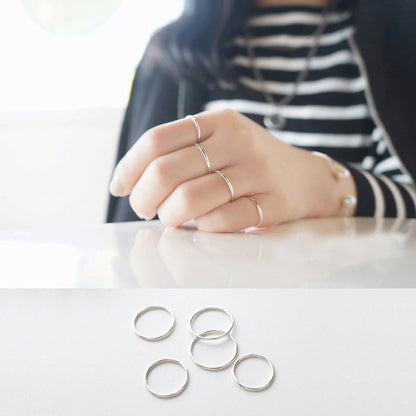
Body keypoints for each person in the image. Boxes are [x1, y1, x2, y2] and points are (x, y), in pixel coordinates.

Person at [107, 0, 416, 233]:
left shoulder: (402, 37)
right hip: (210, 307)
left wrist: (321, 185)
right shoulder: (168, 55)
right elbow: (133, 235)